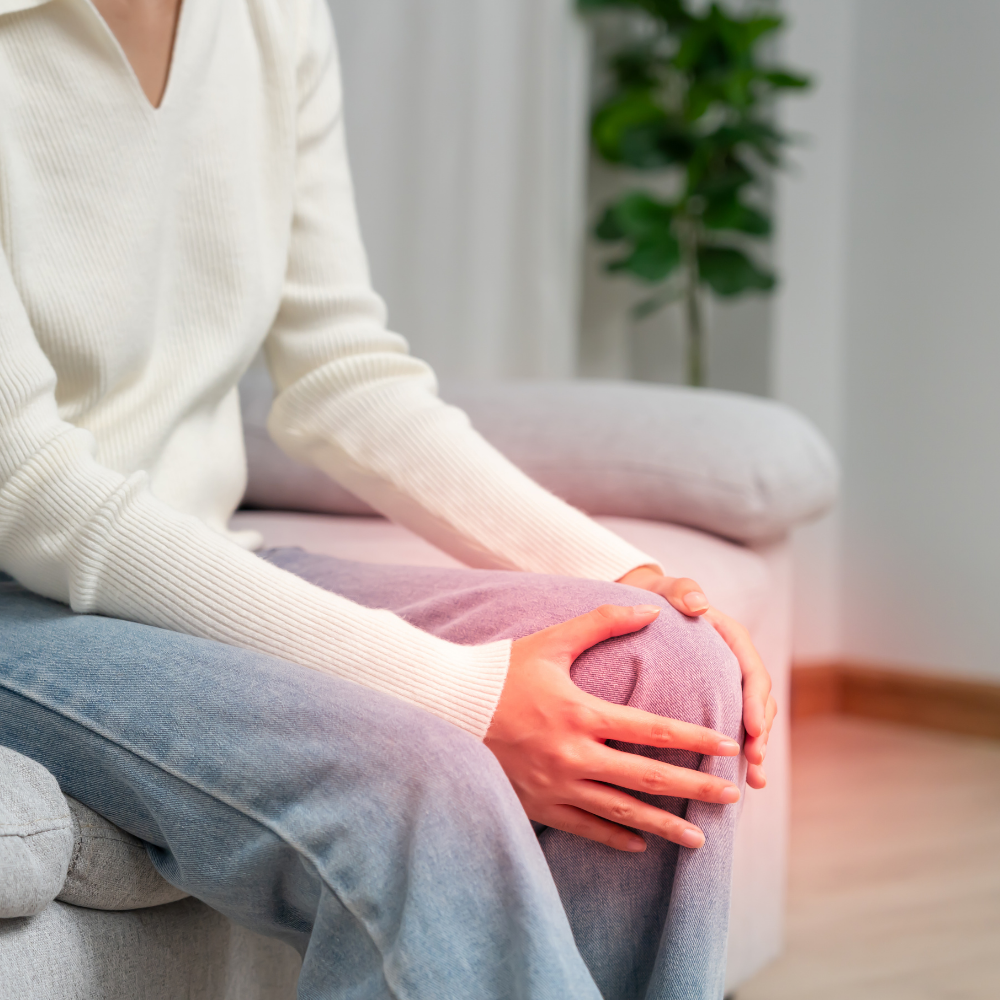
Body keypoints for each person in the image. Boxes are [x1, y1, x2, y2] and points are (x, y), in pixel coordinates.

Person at [0, 1, 775, 997]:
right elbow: (31, 487)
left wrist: (633, 578)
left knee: (658, 668)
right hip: (20, 597)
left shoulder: (273, 17)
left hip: (195, 553)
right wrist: (460, 695)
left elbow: (345, 381)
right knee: (421, 779)